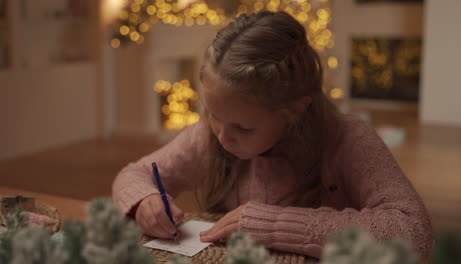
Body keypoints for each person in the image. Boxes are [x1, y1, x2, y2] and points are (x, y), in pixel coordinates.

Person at [112, 11, 432, 260]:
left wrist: (276, 225)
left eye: (244, 127)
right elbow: (135, 174)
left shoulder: (347, 138)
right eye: (213, 115)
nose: (223, 136)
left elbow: (414, 234)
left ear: (295, 110)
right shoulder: (209, 135)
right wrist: (145, 200)